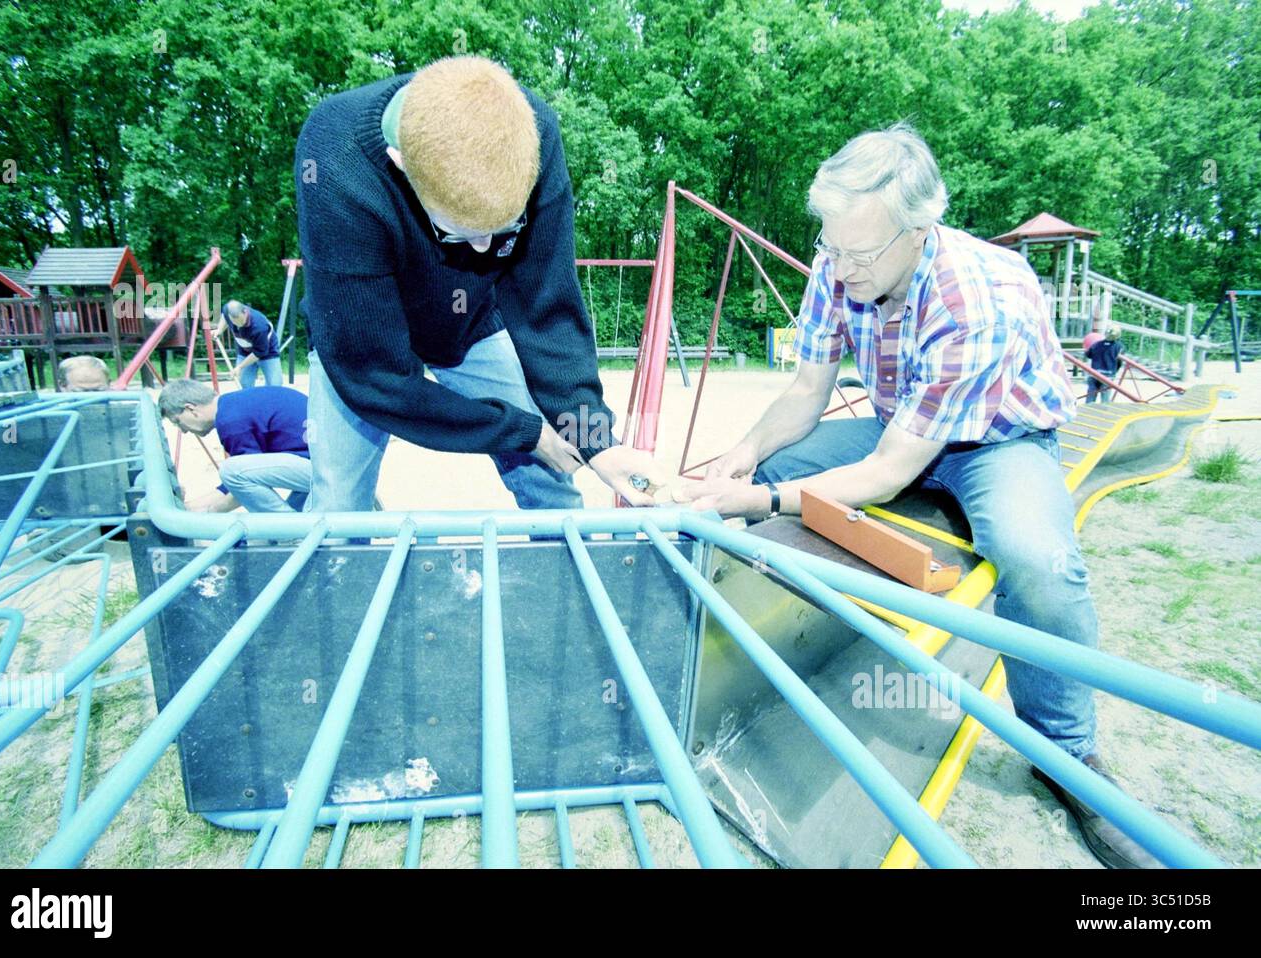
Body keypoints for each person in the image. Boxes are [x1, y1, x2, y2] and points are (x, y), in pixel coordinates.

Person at [680, 122, 1156, 869]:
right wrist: (735, 463)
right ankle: (749, 658)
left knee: (1035, 557)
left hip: (998, 442)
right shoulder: (840, 262)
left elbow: (887, 476)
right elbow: (807, 391)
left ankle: (1068, 756)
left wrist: (768, 505)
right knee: (765, 475)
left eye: (857, 252)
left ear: (920, 229)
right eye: (830, 246)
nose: (839, 265)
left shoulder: (979, 296)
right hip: (898, 424)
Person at [292, 55, 664, 516]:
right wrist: (524, 431)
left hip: (467, 324)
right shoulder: (333, 158)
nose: (487, 250)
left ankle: (563, 579)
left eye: (504, 229)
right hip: (359, 343)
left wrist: (596, 440)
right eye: (462, 235)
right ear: (400, 163)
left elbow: (545, 308)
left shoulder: (533, 132)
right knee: (337, 507)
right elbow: (377, 380)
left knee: (554, 484)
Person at [157, 378, 310, 513]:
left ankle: (288, 533)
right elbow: (234, 485)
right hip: (321, 461)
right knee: (236, 473)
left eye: (177, 422)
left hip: (321, 469)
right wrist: (191, 506)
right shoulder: (233, 405)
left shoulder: (230, 422)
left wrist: (210, 513)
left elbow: (240, 483)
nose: (183, 431)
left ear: (191, 409)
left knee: (230, 470)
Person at [212, 300, 283, 389]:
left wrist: (240, 367)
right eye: (235, 323)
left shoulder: (259, 326)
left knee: (275, 385)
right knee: (244, 384)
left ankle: (268, 401)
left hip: (268, 352)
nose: (239, 326)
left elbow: (259, 353)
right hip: (245, 352)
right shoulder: (228, 310)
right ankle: (250, 402)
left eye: (241, 322)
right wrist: (219, 330)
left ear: (245, 312)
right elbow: (225, 316)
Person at [1084, 327, 1123, 403]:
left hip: (1094, 373)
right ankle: (1104, 412)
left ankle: (1087, 411)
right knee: (1105, 399)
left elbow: (1088, 354)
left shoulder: (1096, 344)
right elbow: (1119, 361)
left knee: (1090, 397)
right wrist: (1115, 370)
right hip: (1108, 375)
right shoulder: (1119, 346)